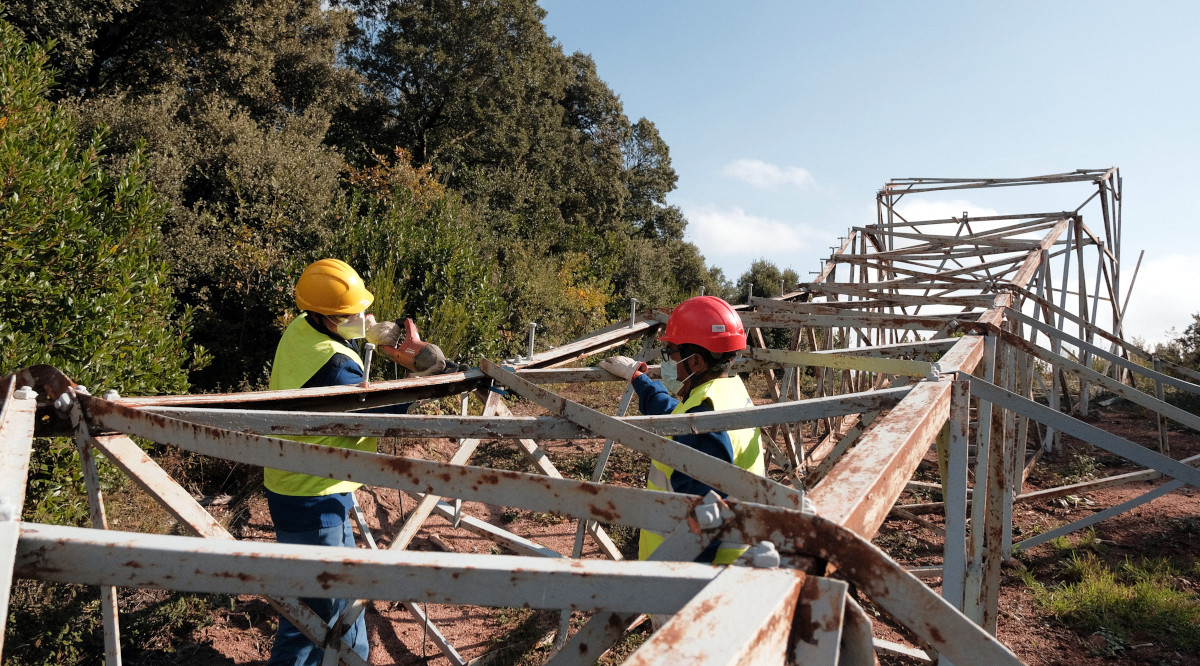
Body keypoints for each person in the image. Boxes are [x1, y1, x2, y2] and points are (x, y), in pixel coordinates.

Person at [264, 258, 399, 665]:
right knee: (314, 612)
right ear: (327, 317)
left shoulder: (301, 330)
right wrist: (424, 380)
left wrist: (370, 332)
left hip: (312, 485)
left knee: (346, 588)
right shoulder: (336, 365)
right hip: (312, 495)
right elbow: (383, 413)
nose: (363, 317)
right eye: (352, 314)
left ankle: (352, 659)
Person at [600, 295, 765, 565]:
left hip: (694, 579)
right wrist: (640, 379)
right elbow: (674, 416)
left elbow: (701, 531)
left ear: (696, 362)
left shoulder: (703, 426)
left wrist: (685, 594)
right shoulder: (727, 394)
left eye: (672, 354)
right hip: (736, 561)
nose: (668, 364)